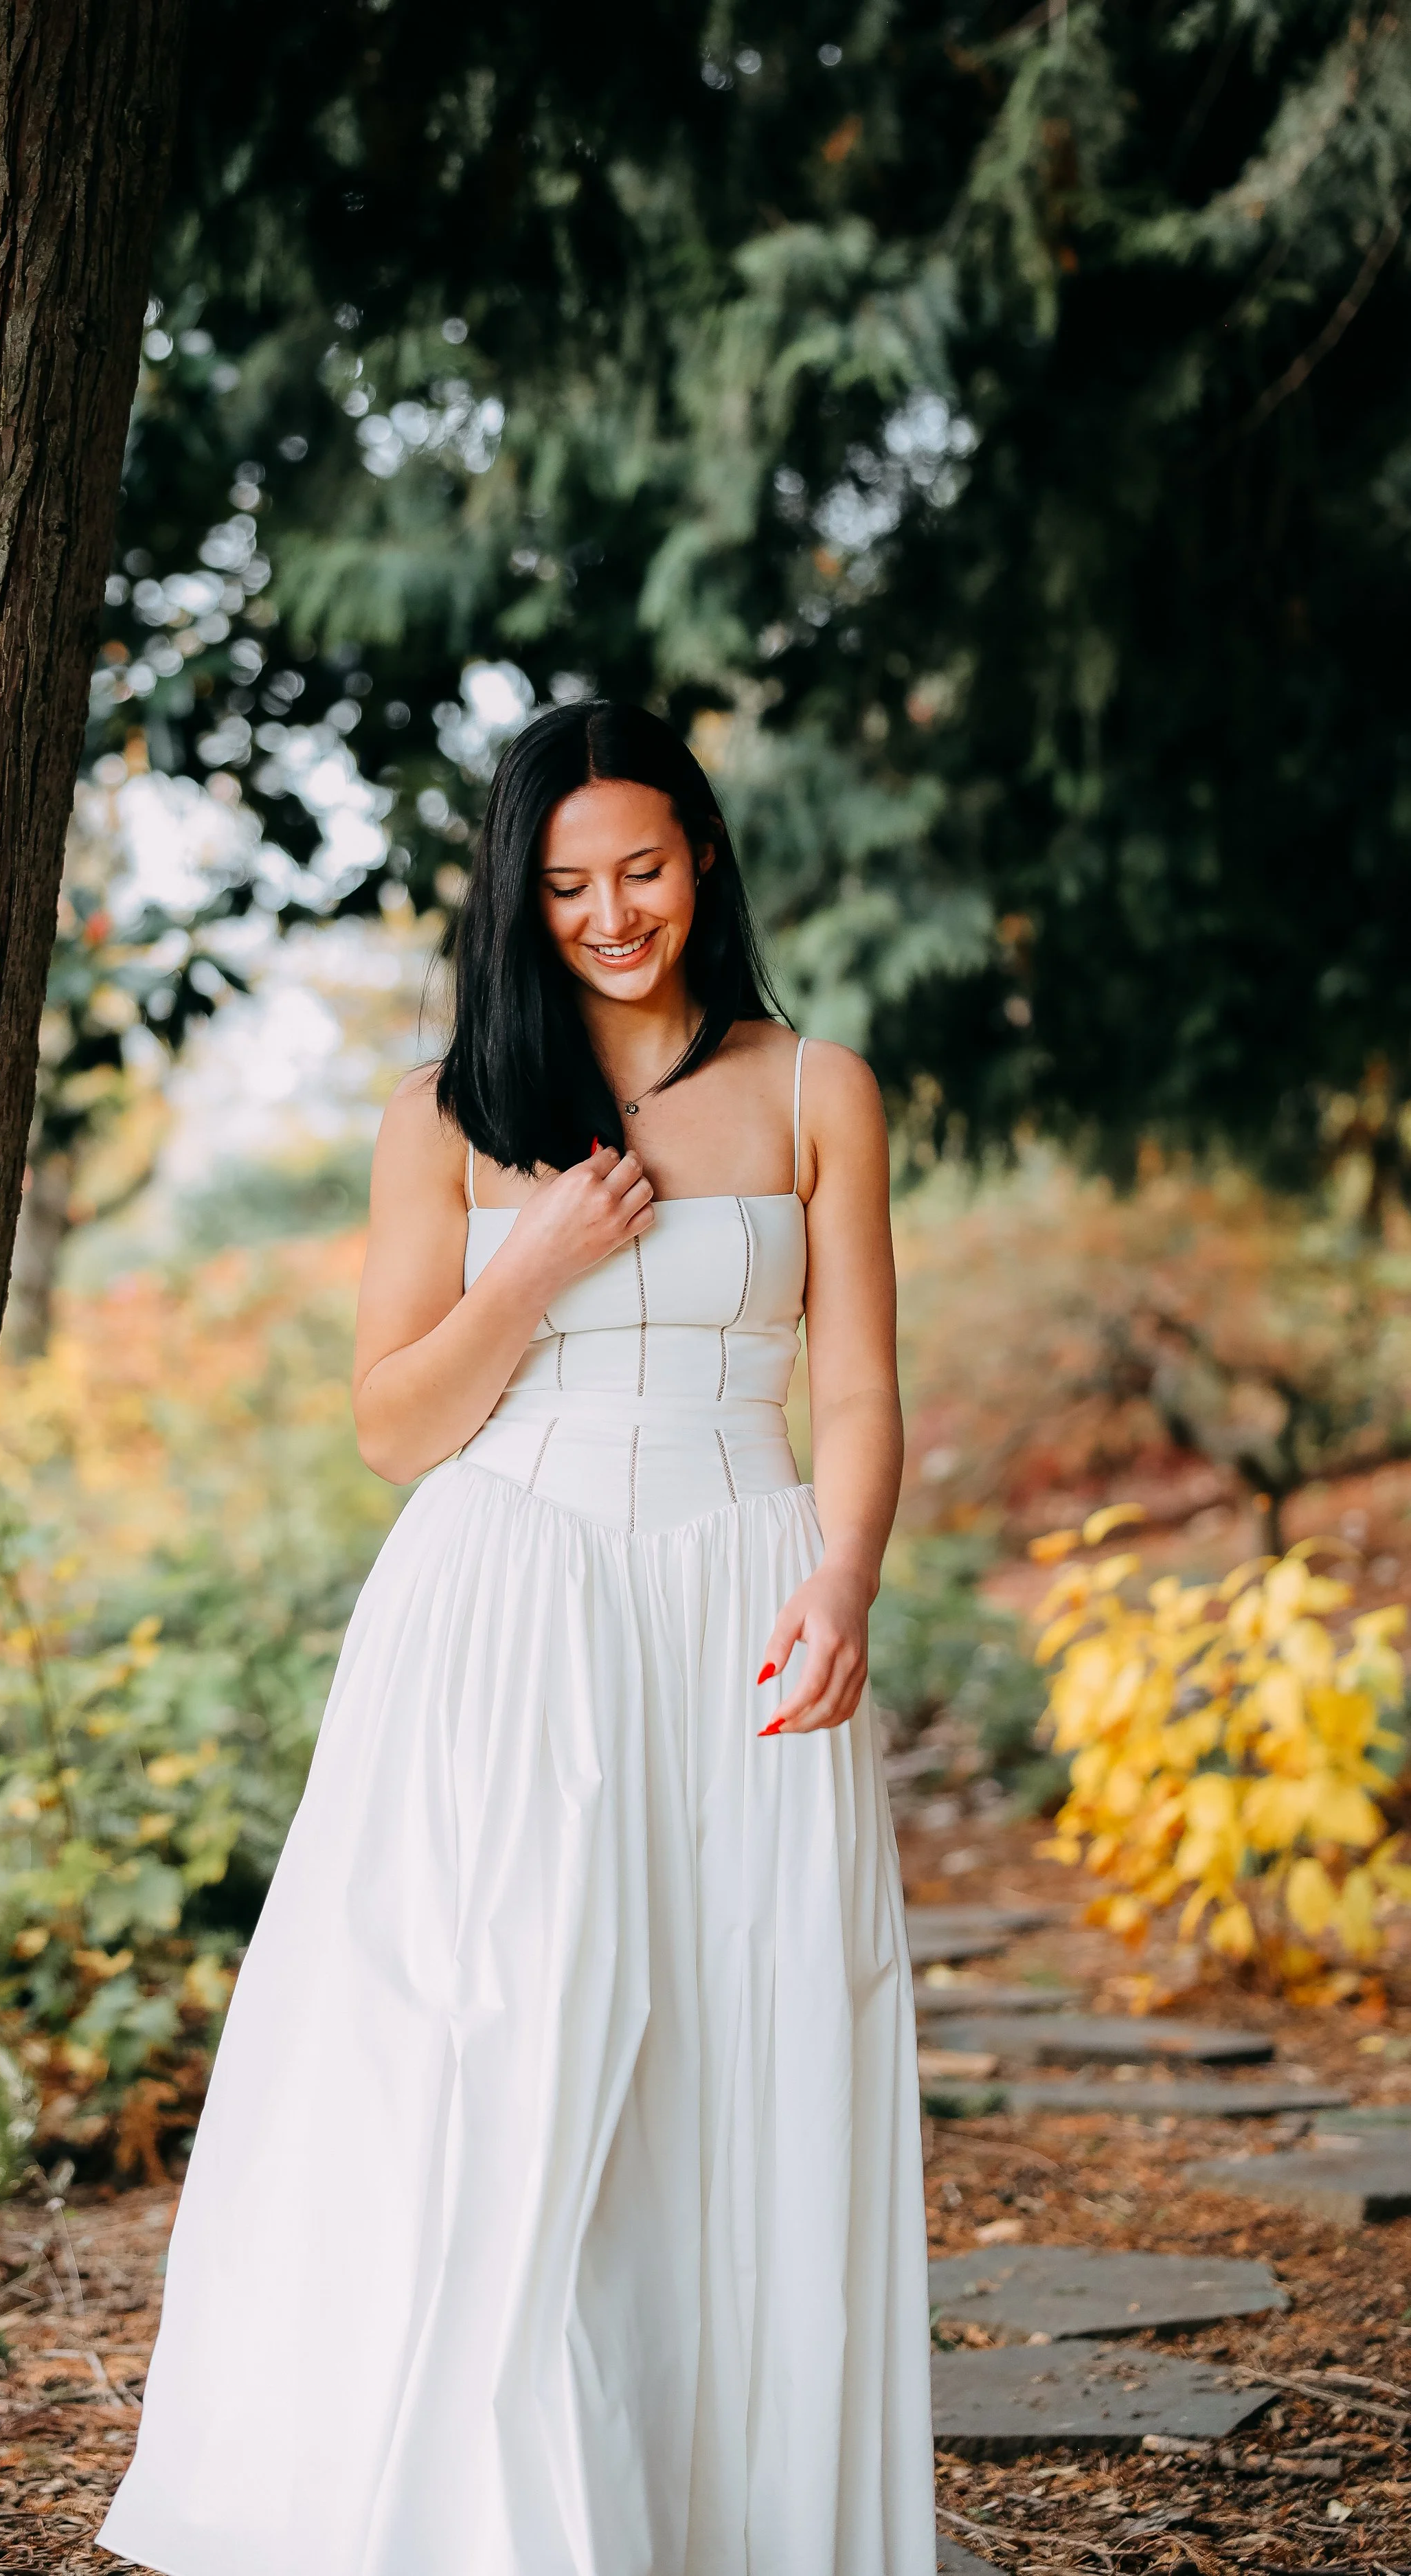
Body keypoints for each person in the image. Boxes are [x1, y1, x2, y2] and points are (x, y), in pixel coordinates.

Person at [99, 701, 936, 2575]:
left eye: (639, 866)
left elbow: (863, 1391)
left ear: (699, 857)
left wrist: (845, 1574)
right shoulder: (444, 1115)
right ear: (518, 898)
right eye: (564, 883)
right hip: (506, 1598)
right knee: (495, 2056)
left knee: (739, 2049)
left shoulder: (820, 1092)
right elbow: (395, 1423)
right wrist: (543, 1253)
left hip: (738, 1578)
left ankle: (716, 2523)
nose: (610, 911)